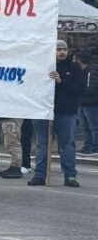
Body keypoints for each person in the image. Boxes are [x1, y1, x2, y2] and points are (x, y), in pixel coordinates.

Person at [29, 40, 83, 187]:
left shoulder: (74, 67)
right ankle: (39, 175)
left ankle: (70, 175)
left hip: (66, 112)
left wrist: (60, 81)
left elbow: (79, 89)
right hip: (44, 111)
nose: (62, 52)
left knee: (67, 145)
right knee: (42, 144)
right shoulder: (42, 66)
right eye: (58, 49)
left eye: (64, 49)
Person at [76, 50, 98, 156]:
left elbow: (91, 87)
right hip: (84, 102)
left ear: (80, 60)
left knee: (93, 126)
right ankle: (88, 145)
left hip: (91, 103)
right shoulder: (85, 70)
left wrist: (78, 92)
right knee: (85, 127)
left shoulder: (91, 70)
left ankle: (94, 147)